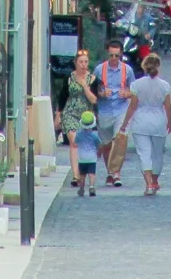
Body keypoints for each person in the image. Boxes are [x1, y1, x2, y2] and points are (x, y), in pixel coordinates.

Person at [121, 52, 171, 195]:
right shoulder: (165, 86)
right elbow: (168, 106)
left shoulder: (136, 85)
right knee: (157, 154)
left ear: (144, 66)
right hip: (159, 121)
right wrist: (170, 122)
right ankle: (155, 181)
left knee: (144, 154)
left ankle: (148, 183)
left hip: (140, 121)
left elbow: (133, 106)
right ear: (158, 67)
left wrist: (125, 122)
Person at [94, 38, 134, 187]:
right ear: (107, 54)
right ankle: (110, 172)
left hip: (121, 109)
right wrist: (102, 93)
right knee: (106, 145)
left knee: (120, 140)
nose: (114, 59)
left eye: (117, 56)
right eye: (111, 55)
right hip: (104, 110)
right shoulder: (99, 70)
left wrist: (127, 94)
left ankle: (116, 173)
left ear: (121, 55)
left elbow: (133, 90)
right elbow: (93, 90)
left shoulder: (127, 70)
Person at [55, 47, 97, 185]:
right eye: (81, 62)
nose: (83, 65)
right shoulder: (69, 77)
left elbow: (94, 100)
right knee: (74, 142)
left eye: (85, 62)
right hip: (70, 113)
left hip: (86, 115)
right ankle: (76, 175)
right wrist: (58, 114)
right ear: (75, 63)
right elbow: (62, 96)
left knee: (83, 143)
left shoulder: (93, 79)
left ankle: (83, 169)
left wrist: (85, 86)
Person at [74, 110, 101, 197]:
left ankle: (81, 189)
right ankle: (92, 187)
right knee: (91, 173)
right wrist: (99, 152)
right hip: (92, 157)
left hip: (82, 158)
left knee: (82, 175)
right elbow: (99, 144)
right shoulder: (94, 135)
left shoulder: (79, 135)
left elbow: (75, 143)